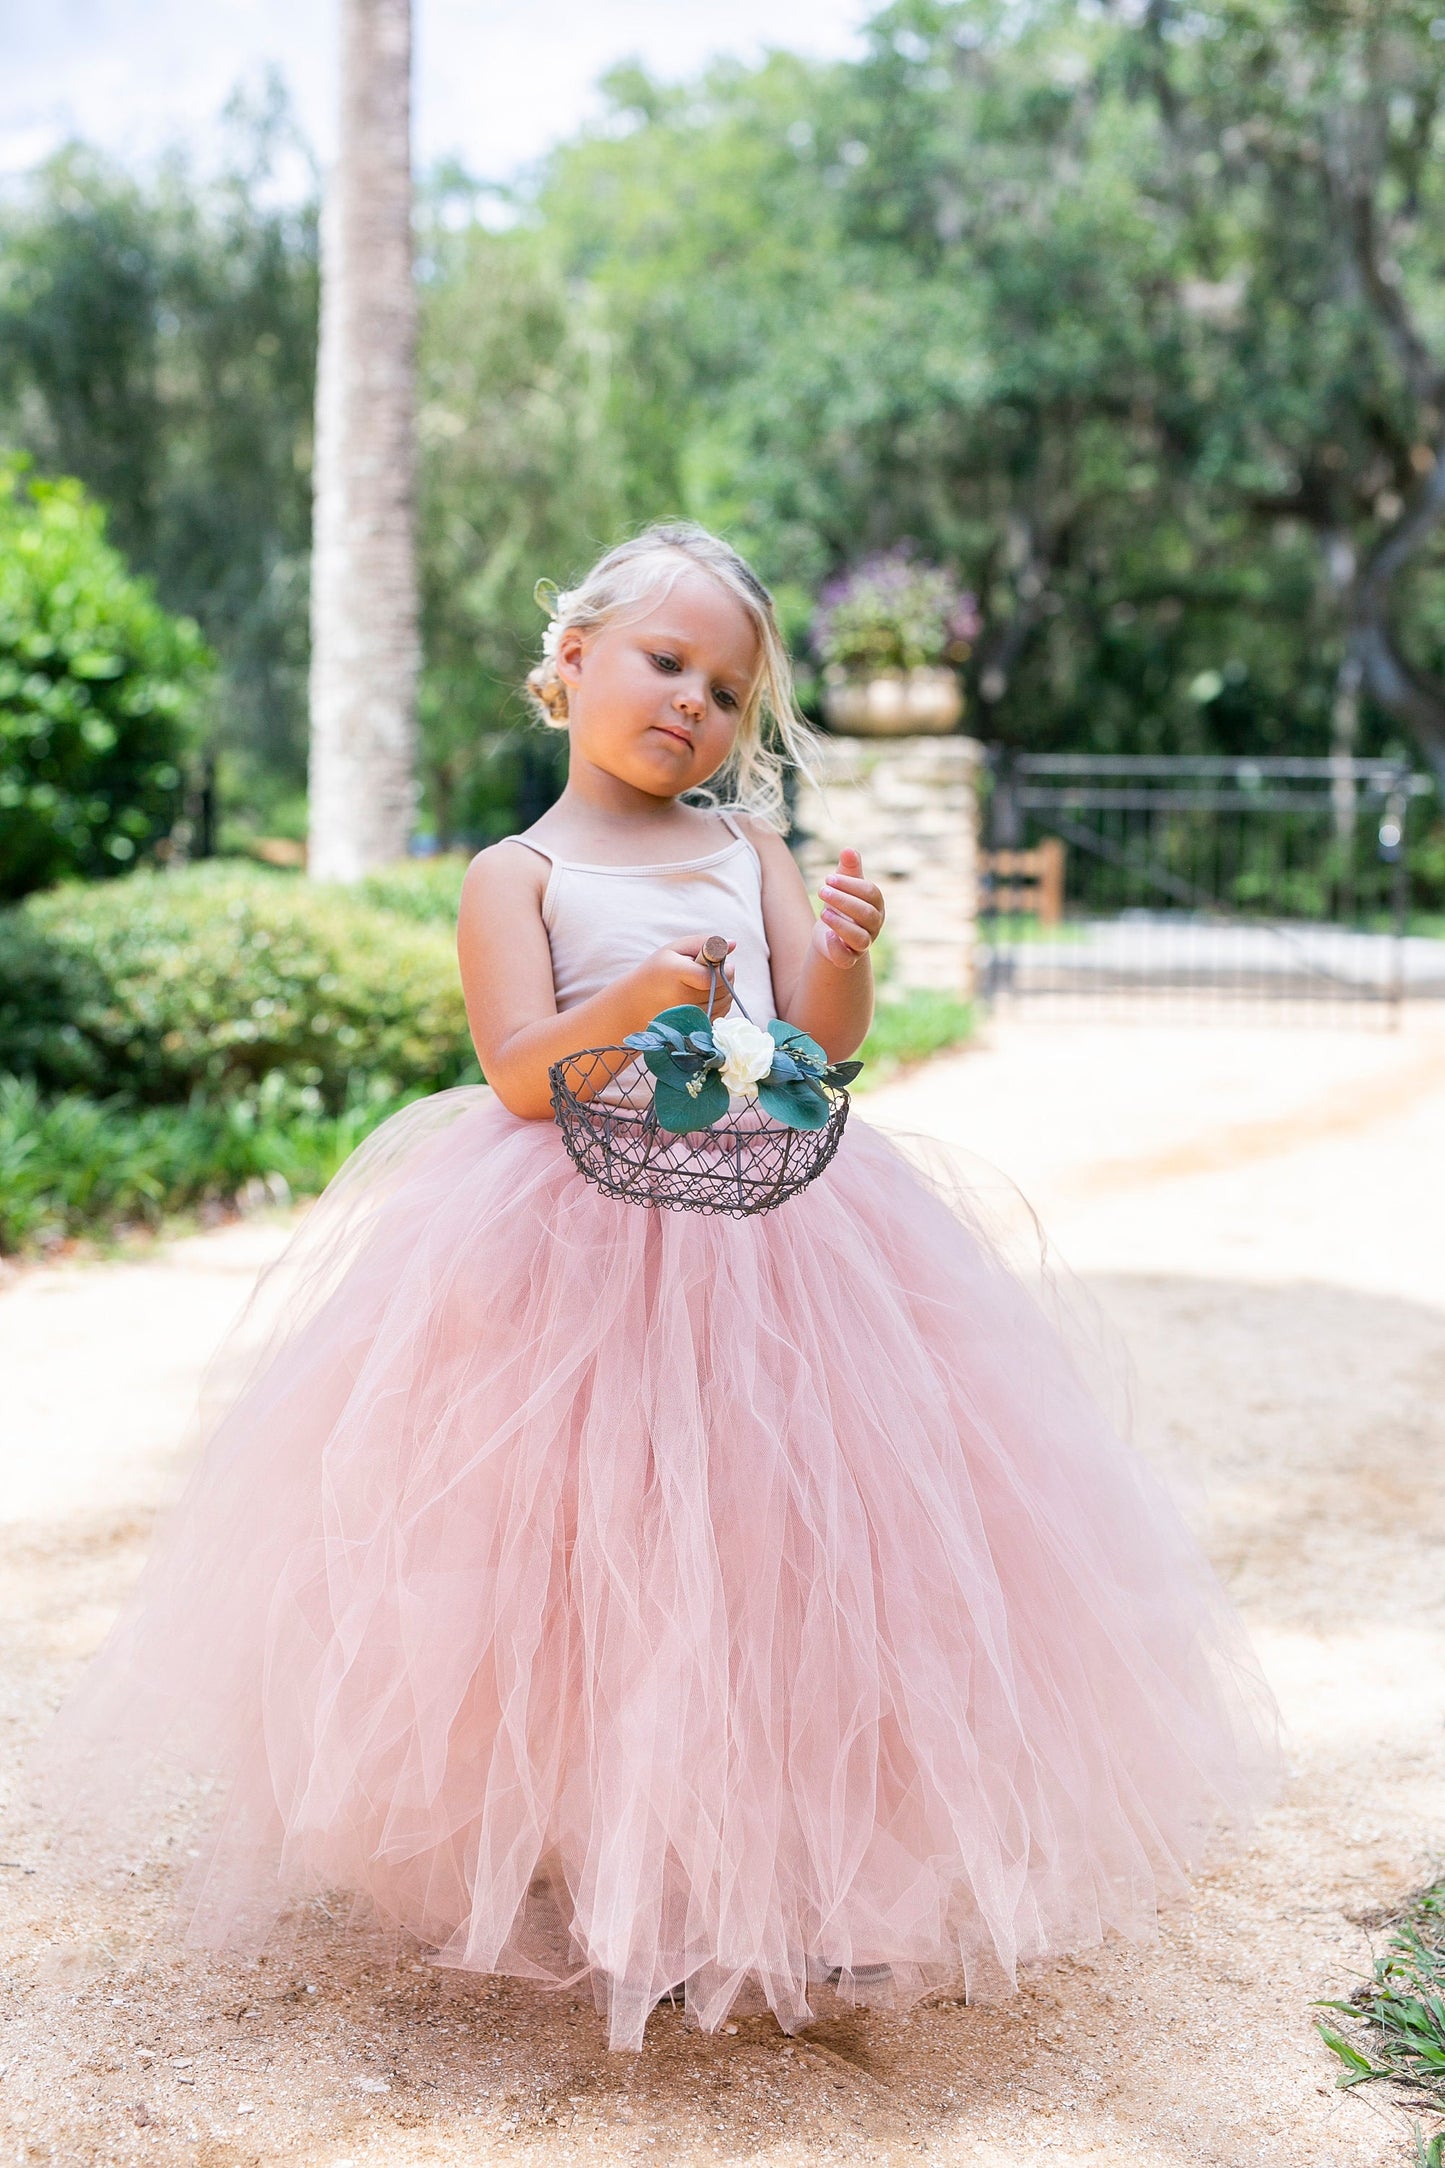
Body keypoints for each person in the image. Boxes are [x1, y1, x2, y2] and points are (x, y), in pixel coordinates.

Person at [38, 521, 1278, 2053]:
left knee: (770, 1546)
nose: (692, 700)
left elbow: (819, 1046)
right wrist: (628, 1003)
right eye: (663, 661)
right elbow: (513, 1073)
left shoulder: (741, 847)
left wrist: (840, 955)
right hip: (562, 1237)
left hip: (778, 1234)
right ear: (570, 666)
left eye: (725, 686)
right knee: (587, 1556)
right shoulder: (521, 872)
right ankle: (604, 1850)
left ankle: (781, 1869)